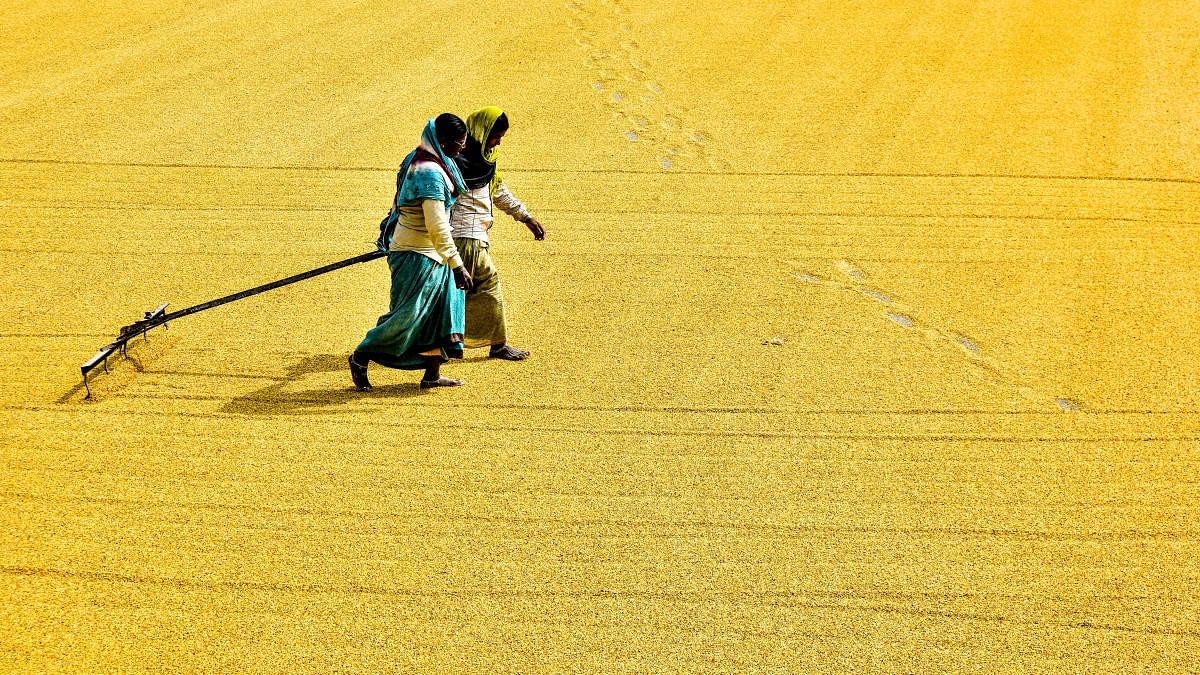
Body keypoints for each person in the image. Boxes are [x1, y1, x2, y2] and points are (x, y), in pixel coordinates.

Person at [349, 113, 474, 391]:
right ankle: (361, 356)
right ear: (442, 140)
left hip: (436, 253)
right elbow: (436, 224)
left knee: (438, 316)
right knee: (408, 315)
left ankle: (431, 375)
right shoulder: (427, 172)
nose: (461, 148)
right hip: (416, 252)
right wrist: (457, 264)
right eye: (458, 142)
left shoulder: (434, 159)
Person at [449, 106, 546, 361]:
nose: (498, 142)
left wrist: (525, 216)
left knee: (456, 291)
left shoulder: (486, 160)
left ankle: (446, 344)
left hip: (474, 236)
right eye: (495, 136)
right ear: (481, 131)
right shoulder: (457, 162)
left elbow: (498, 191)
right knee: (488, 285)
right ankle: (497, 344)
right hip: (465, 238)